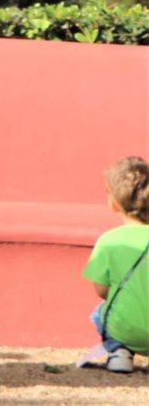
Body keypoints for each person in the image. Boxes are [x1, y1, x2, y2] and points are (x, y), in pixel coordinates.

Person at [80, 156, 149, 373]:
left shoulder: (108, 241)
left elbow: (101, 290)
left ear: (114, 203)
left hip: (125, 329)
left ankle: (119, 352)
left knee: (98, 314)